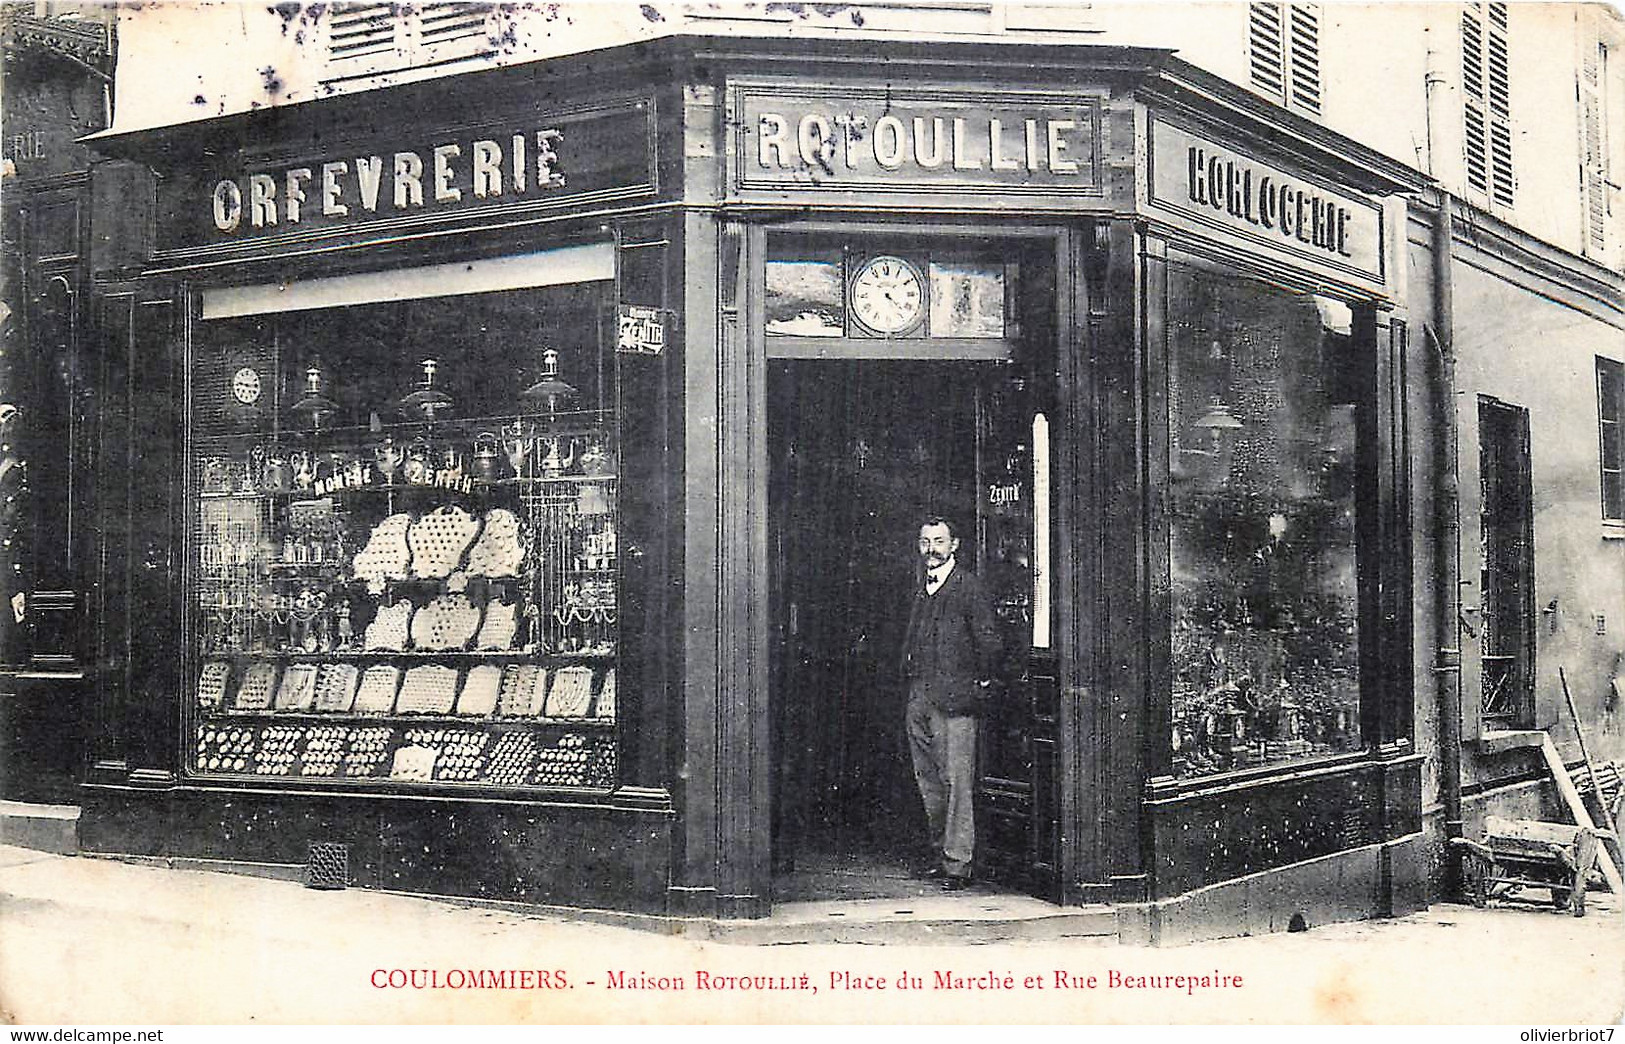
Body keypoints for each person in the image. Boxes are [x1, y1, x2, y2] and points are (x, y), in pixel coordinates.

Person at [900, 515, 1002, 890]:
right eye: (925, 541)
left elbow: (990, 643)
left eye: (939, 542)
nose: (931, 549)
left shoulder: (968, 587)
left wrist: (977, 686)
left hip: (955, 702)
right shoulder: (920, 587)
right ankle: (941, 855)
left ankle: (959, 865)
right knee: (929, 782)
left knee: (956, 783)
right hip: (919, 698)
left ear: (954, 545)